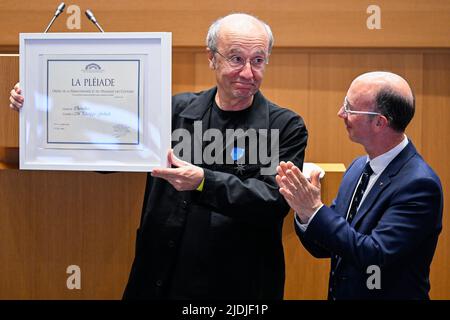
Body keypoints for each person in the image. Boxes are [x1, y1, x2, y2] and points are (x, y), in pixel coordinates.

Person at [9, 13, 308, 299]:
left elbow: (273, 201)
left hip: (239, 283)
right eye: (236, 59)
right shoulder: (172, 111)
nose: (247, 73)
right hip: (162, 275)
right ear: (211, 58)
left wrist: (203, 181)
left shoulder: (284, 126)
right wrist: (41, 104)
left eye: (258, 60)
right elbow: (108, 156)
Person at [276, 71, 443, 299]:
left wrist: (315, 210)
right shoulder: (357, 168)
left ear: (379, 122)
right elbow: (326, 245)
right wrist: (305, 214)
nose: (340, 113)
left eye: (349, 108)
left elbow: (374, 256)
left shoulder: (419, 185)